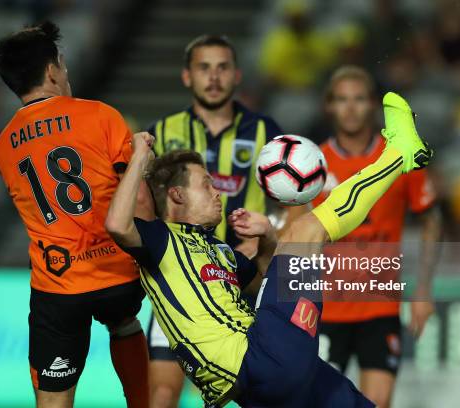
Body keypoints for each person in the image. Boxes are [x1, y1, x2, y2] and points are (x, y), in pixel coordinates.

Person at [105, 91, 432, 407]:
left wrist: (266, 240)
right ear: (176, 196)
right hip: (257, 361)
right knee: (304, 233)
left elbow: (267, 282)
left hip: (264, 379)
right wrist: (138, 159)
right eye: (206, 183)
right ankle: (399, 154)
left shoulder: (219, 250)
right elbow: (119, 224)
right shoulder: (161, 241)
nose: (217, 190)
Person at [0, 22, 151, 408]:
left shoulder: (2, 147)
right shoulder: (101, 116)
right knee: (125, 322)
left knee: (53, 398)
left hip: (58, 285)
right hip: (118, 272)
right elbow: (140, 199)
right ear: (51, 71)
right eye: (62, 64)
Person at [286, 66, 441, 408]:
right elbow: (293, 235)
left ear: (373, 105)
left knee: (378, 403)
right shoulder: (311, 163)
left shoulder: (402, 154)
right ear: (329, 106)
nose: (351, 108)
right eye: (342, 99)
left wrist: (425, 289)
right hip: (323, 307)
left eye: (358, 99)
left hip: (379, 305)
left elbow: (431, 220)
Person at [147, 34, 282, 407]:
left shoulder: (265, 132)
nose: (214, 77)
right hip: (182, 277)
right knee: (161, 391)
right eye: (203, 68)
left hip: (245, 277)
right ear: (187, 77)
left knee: (259, 391)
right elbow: (145, 203)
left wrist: (265, 235)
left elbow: (294, 203)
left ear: (237, 75)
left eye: (222, 67)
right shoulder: (161, 133)